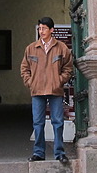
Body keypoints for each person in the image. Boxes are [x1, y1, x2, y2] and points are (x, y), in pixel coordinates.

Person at [20, 17, 73, 165]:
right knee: (38, 123)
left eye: (43, 28)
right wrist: (30, 82)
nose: (41, 31)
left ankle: (59, 153)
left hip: (55, 90)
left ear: (51, 30)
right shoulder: (31, 48)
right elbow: (24, 68)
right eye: (39, 28)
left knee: (58, 122)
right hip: (37, 90)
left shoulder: (62, 48)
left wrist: (59, 80)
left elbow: (68, 68)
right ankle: (38, 153)